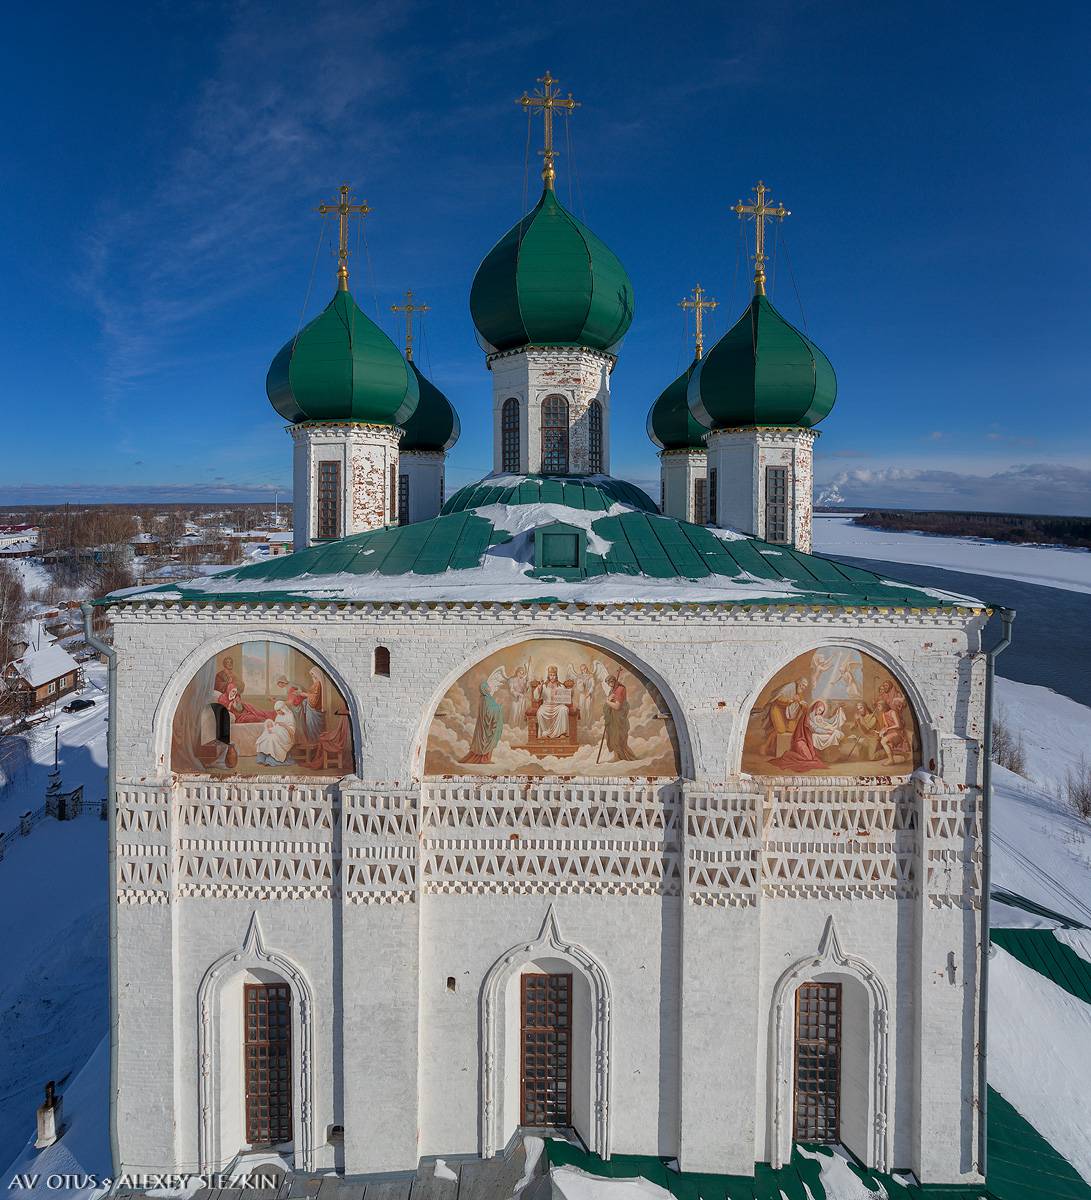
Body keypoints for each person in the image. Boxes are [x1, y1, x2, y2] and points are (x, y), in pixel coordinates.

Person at [461, 677, 504, 764]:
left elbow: (489, 709)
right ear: (484, 689)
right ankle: (484, 759)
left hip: (485, 725)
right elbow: (487, 712)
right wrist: (499, 708)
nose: (489, 688)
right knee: (486, 740)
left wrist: (497, 706)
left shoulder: (487, 698)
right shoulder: (485, 699)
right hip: (485, 726)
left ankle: (486, 758)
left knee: (488, 740)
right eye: (487, 687)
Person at [602, 675, 634, 761]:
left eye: (609, 683)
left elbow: (617, 707)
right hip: (613, 718)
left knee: (617, 738)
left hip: (619, 719)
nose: (609, 685)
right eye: (608, 683)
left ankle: (621, 757)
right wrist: (609, 699)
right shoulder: (613, 690)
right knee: (612, 737)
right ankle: (617, 756)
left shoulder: (620, 689)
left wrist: (607, 701)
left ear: (613, 681)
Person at [255, 701, 297, 765]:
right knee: (266, 737)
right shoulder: (278, 715)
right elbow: (275, 725)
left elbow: (292, 731)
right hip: (278, 732)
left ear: (283, 708)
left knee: (273, 738)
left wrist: (283, 725)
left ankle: (272, 758)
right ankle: (263, 757)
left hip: (286, 735)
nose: (277, 712)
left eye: (279, 710)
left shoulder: (290, 715)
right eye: (276, 711)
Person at [534, 666, 570, 739]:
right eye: (551, 675)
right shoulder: (544, 686)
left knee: (564, 709)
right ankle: (545, 733)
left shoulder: (561, 686)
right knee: (540, 712)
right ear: (548, 676)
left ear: (556, 676)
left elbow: (565, 700)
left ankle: (562, 733)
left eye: (554, 675)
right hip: (546, 706)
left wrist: (568, 694)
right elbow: (536, 697)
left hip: (557, 706)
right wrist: (539, 688)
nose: (552, 677)